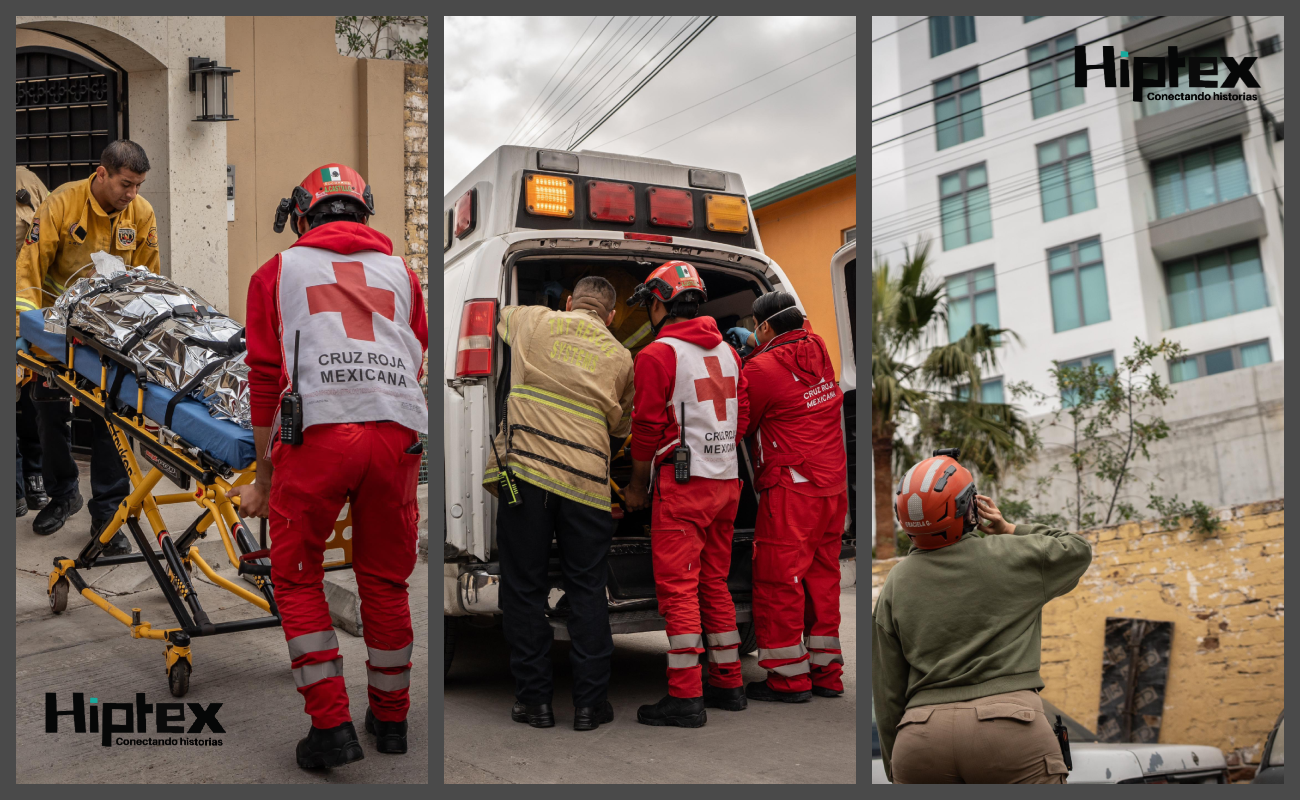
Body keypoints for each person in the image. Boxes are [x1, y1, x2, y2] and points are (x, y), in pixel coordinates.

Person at [230, 163, 428, 770]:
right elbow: (413, 355)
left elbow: (265, 381)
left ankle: (332, 727)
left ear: (301, 215)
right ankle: (390, 721)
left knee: (295, 578)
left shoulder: (277, 271)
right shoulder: (404, 275)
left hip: (317, 435)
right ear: (364, 212)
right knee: (385, 580)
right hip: (397, 437)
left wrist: (263, 482)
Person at [872, 453, 1092, 784]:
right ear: (969, 507)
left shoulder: (896, 582)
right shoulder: (1010, 556)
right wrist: (1009, 528)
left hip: (920, 738)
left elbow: (887, 690)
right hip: (1011, 731)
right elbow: (1076, 548)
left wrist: (898, 766)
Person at [484, 275, 635, 732]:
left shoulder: (535, 320)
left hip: (525, 479)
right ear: (611, 317)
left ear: (570, 302)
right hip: (587, 484)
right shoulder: (622, 355)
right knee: (587, 590)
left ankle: (535, 703)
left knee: (524, 589)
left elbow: (495, 317)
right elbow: (622, 430)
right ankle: (590, 706)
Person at [16, 141, 160, 554]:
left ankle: (108, 513)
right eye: (125, 184)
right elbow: (29, 269)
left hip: (112, 336)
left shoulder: (142, 214)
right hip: (58, 330)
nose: (131, 194)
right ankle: (64, 494)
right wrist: (26, 331)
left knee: (111, 422)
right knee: (49, 414)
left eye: (138, 185)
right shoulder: (62, 205)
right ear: (102, 173)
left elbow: (149, 276)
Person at [623, 260, 749, 728]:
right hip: (725, 482)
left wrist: (638, 485)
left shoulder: (658, 354)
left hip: (683, 489)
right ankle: (729, 684)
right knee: (713, 583)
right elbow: (744, 415)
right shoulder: (729, 354)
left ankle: (686, 697)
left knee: (678, 590)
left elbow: (646, 427)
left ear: (659, 303)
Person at [739, 292, 848, 703]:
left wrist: (746, 358)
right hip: (832, 487)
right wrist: (757, 345)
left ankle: (787, 680)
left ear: (764, 327)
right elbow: (794, 348)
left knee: (779, 579)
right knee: (822, 579)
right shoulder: (819, 349)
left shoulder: (760, 368)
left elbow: (743, 424)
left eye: (755, 327)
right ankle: (826, 673)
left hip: (792, 487)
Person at [16, 166, 52, 518]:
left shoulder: (25, 182)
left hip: (26, 311)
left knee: (33, 401)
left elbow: (50, 237)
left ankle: (34, 475)